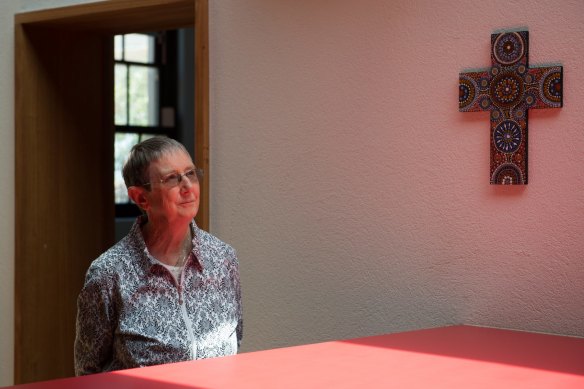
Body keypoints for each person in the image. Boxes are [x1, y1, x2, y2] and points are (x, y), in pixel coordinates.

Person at [74, 136, 242, 375]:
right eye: (172, 178)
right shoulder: (109, 273)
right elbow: (88, 371)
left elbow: (236, 341)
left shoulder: (223, 258)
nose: (188, 186)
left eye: (191, 173)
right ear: (141, 197)